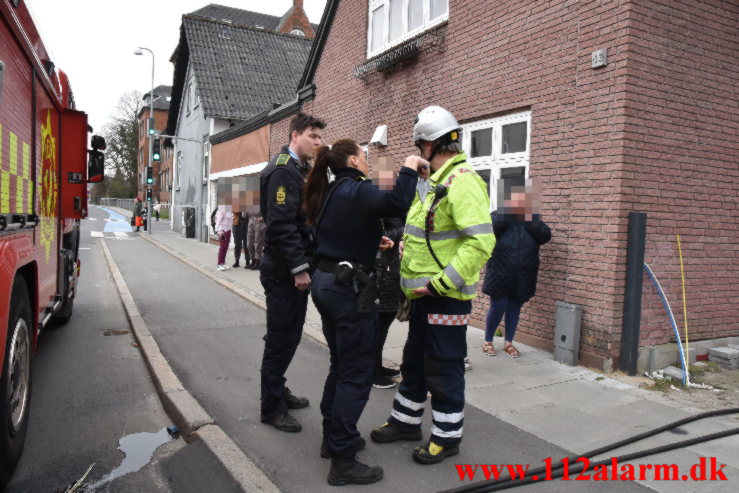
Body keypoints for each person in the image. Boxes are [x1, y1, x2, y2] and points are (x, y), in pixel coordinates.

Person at [371, 106, 495, 465]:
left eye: (420, 146)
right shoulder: (438, 181)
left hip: (445, 297)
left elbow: (480, 243)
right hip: (424, 297)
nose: (419, 153)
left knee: (444, 366)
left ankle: (446, 436)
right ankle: (406, 422)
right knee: (414, 363)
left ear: (429, 144)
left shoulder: (463, 181)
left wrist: (440, 284)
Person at [306, 139, 423, 486]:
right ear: (355, 160)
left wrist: (375, 240)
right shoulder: (356, 188)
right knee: (356, 374)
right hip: (348, 292)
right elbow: (398, 201)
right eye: (367, 156)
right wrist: (410, 165)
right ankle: (343, 459)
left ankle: (333, 438)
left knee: (340, 366)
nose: (370, 162)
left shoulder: (332, 190)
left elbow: (342, 232)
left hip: (327, 283)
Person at [259, 113, 325, 433]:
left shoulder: (299, 170)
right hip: (283, 272)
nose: (318, 142)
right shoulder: (283, 171)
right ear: (295, 136)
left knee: (290, 336)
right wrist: (300, 269)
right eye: (313, 136)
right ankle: (271, 407)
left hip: (291, 270)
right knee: (280, 339)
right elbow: (282, 226)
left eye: (319, 137)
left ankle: (277, 390)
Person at [482, 185, 551, 357]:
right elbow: (490, 229)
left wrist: (529, 218)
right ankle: (488, 341)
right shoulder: (498, 214)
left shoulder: (532, 218)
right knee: (498, 306)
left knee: (514, 308)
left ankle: (508, 342)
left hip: (524, 273)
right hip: (501, 271)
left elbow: (545, 236)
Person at [373, 217, 404, 389]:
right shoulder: (396, 225)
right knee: (377, 329)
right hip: (385, 277)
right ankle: (372, 372)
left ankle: (377, 367)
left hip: (390, 278)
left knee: (381, 329)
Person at [215, 203, 233, 271]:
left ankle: (223, 263)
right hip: (222, 231)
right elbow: (218, 221)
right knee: (222, 247)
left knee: (226, 247)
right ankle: (219, 264)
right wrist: (218, 231)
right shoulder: (222, 209)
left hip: (228, 230)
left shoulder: (229, 209)